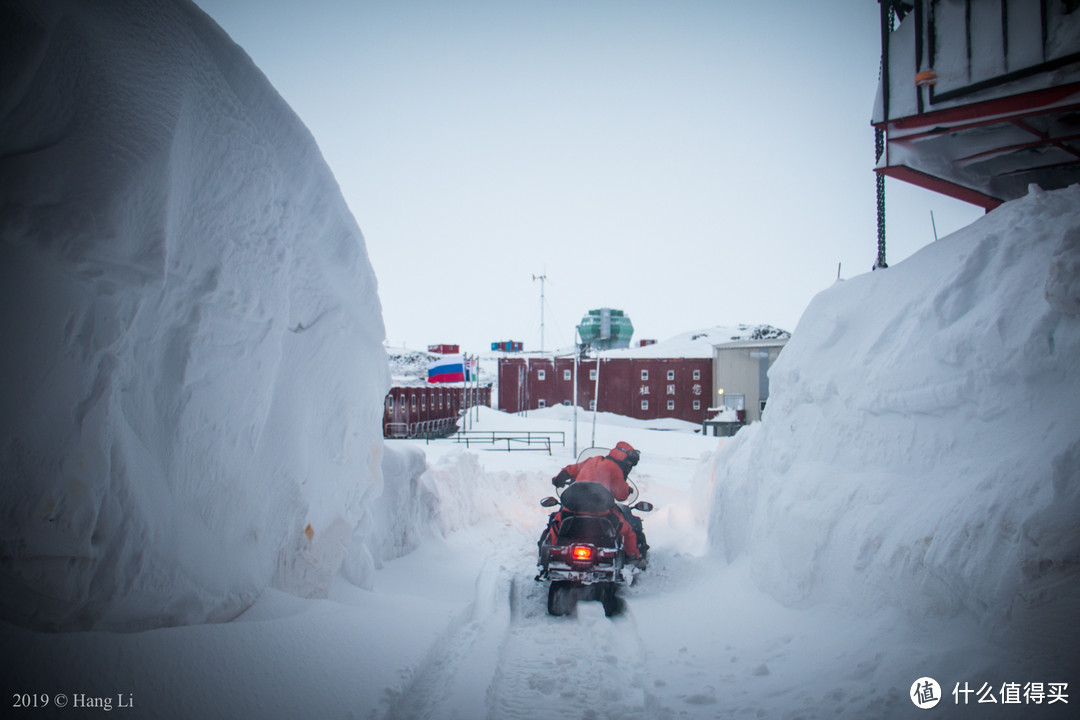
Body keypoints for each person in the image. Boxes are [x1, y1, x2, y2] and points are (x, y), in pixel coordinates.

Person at [551, 441, 648, 565]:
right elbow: (621, 496)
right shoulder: (616, 469)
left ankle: (554, 553)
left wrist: (558, 479)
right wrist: (627, 490)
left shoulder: (592, 460)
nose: (628, 466)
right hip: (600, 515)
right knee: (628, 531)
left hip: (572, 511)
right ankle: (633, 559)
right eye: (628, 463)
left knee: (555, 524)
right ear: (623, 458)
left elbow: (570, 470)